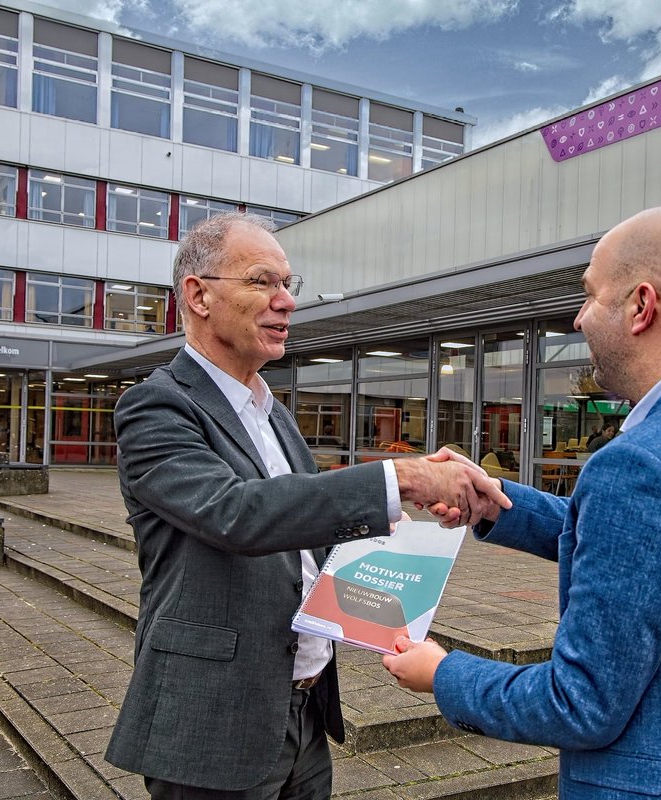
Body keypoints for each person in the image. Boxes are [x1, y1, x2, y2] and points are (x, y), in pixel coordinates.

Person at [383, 205, 661, 798]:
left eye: (590, 295)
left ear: (641, 306)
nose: (578, 317)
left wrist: (443, 673)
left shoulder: (641, 464)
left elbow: (579, 704)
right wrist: (499, 503)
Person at [104, 211, 509, 799]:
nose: (286, 301)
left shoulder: (276, 416)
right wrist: (401, 478)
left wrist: (404, 522)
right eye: (262, 281)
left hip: (303, 710)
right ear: (198, 295)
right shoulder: (155, 408)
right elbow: (235, 513)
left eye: (289, 284)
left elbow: (308, 524)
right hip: (214, 722)